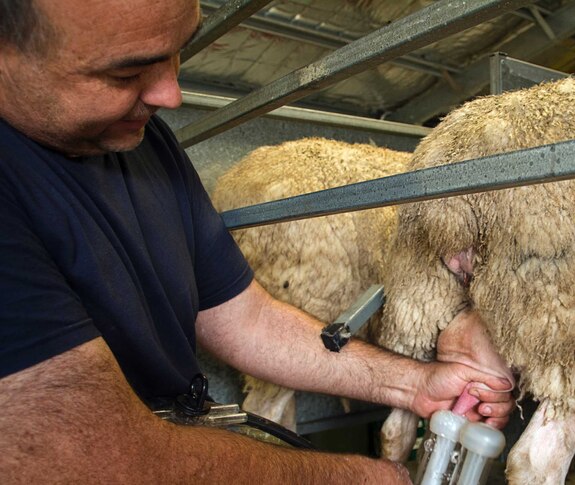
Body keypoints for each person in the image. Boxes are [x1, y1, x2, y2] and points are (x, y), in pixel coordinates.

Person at [0, 0, 514, 482]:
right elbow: (74, 457)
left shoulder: (142, 141)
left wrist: (411, 383)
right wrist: (353, 476)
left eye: (180, 50)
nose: (170, 95)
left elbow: (244, 318)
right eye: (126, 73)